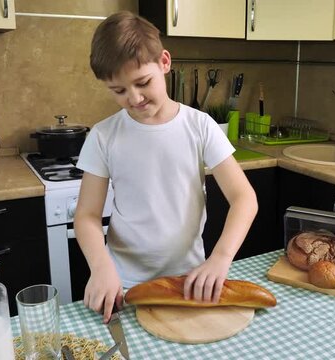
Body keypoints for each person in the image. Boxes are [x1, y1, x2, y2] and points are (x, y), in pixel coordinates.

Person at [74, 11, 258, 323]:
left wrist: (221, 258)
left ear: (164, 62)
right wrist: (101, 267)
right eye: (118, 91)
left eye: (142, 82)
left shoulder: (200, 126)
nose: (134, 98)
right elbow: (87, 216)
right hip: (123, 285)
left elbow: (244, 199)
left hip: (191, 282)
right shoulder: (103, 136)